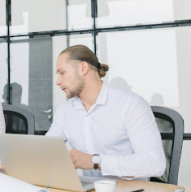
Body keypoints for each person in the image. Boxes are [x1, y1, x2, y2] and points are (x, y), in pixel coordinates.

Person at [47, 45, 165, 179]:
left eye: (62, 73)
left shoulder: (130, 104)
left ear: (83, 68)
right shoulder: (65, 110)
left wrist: (95, 161)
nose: (58, 82)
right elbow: (45, 150)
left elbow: (155, 163)